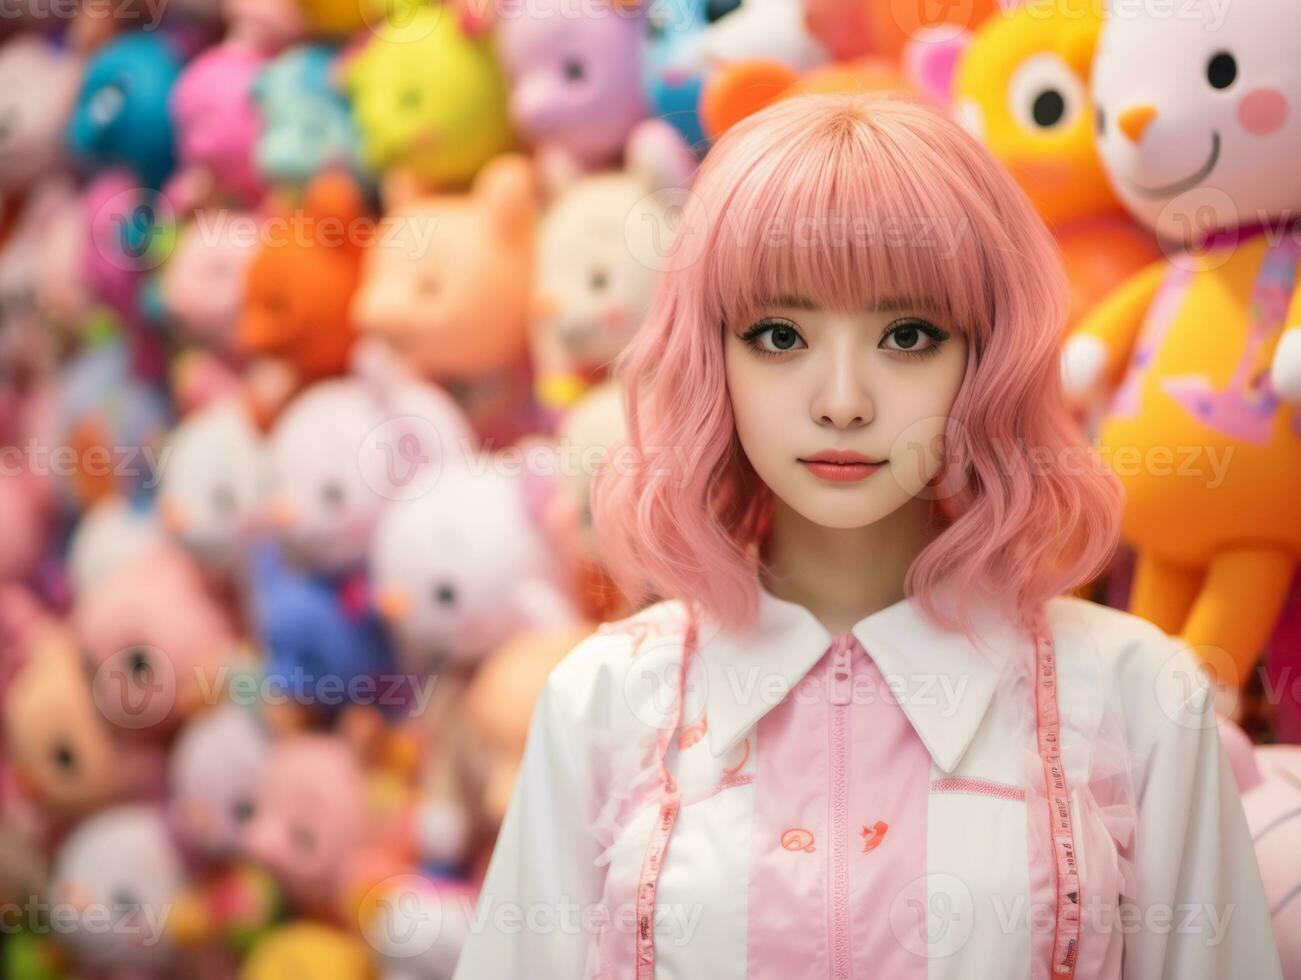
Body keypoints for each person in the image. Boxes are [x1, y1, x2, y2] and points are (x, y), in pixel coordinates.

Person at [451, 93, 1281, 979]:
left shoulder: (1136, 698)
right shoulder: (604, 702)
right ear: (711, 357)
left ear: (983, 357)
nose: (841, 398)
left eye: (907, 335)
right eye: (779, 335)